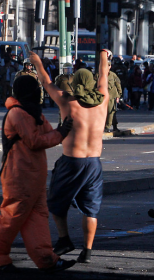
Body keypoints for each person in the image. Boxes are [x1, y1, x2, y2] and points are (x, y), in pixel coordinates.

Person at [29, 49, 111, 264]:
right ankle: (88, 251)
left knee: (56, 203)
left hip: (71, 161)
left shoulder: (67, 101)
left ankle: (64, 239)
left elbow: (46, 82)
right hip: (94, 162)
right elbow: (103, 75)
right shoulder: (103, 100)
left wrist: (37, 62)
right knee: (90, 208)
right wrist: (103, 55)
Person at [0, 75, 75, 273]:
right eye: (36, 90)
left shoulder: (32, 113)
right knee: (12, 216)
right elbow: (35, 141)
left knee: (37, 218)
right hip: (19, 176)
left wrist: (60, 130)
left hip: (33, 177)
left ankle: (46, 258)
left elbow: (47, 135)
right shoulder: (17, 113)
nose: (39, 93)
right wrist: (60, 132)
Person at [96, 61, 122, 132]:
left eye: (107, 66)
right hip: (101, 97)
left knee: (111, 112)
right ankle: (102, 126)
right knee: (102, 112)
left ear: (110, 67)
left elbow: (118, 85)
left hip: (111, 96)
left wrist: (118, 95)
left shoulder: (113, 75)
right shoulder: (98, 75)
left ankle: (108, 127)